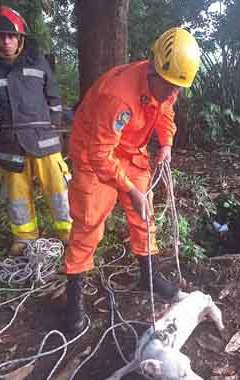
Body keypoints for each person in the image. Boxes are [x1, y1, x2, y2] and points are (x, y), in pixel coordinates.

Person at [61, 27, 201, 334]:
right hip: (92, 154)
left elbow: (165, 112)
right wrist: (127, 189)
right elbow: (100, 154)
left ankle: (148, 275)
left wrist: (166, 143)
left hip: (129, 151)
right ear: (154, 69)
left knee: (144, 215)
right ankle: (74, 295)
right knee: (88, 223)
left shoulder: (167, 82)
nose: (173, 94)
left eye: (179, 88)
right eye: (170, 86)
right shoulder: (118, 97)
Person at [0, 6, 72, 256]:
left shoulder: (37, 61)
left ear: (20, 38)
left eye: (11, 36)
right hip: (9, 142)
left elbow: (53, 94)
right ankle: (24, 237)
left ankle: (68, 230)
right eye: (1, 36)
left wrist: (54, 118)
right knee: (17, 195)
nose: (7, 41)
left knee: (57, 188)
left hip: (44, 139)